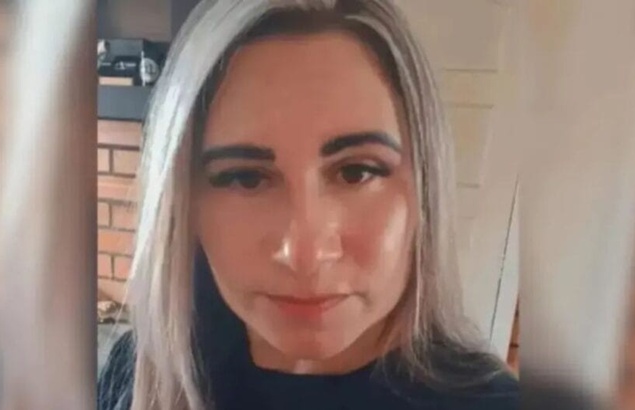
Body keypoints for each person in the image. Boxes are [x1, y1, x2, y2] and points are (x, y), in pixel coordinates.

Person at [98, 1, 519, 409]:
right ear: (185, 204)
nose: (305, 254)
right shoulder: (141, 374)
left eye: (356, 172)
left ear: (425, 190)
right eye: (246, 178)